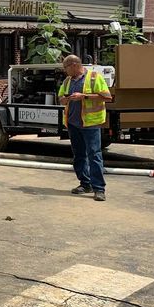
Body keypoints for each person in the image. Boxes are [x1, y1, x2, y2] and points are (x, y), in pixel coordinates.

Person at [58, 54, 112, 201]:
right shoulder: (67, 81)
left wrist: (84, 96)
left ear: (74, 65)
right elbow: (61, 98)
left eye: (66, 68)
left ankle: (99, 189)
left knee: (94, 155)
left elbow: (107, 97)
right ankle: (85, 183)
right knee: (79, 155)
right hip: (73, 124)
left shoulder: (94, 77)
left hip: (90, 124)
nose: (65, 71)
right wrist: (65, 99)